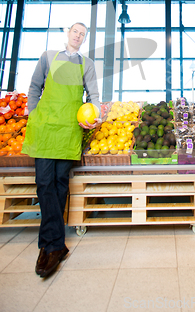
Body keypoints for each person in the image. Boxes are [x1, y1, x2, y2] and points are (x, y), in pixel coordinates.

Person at [21, 22, 101, 278]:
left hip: (68, 129)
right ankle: (55, 245)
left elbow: (94, 96)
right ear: (67, 33)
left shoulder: (86, 64)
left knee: (59, 184)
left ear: (84, 39)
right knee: (44, 183)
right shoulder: (47, 57)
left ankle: (49, 246)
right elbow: (34, 88)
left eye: (83, 34)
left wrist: (93, 115)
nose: (78, 36)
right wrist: (34, 115)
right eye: (75, 31)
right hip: (44, 129)